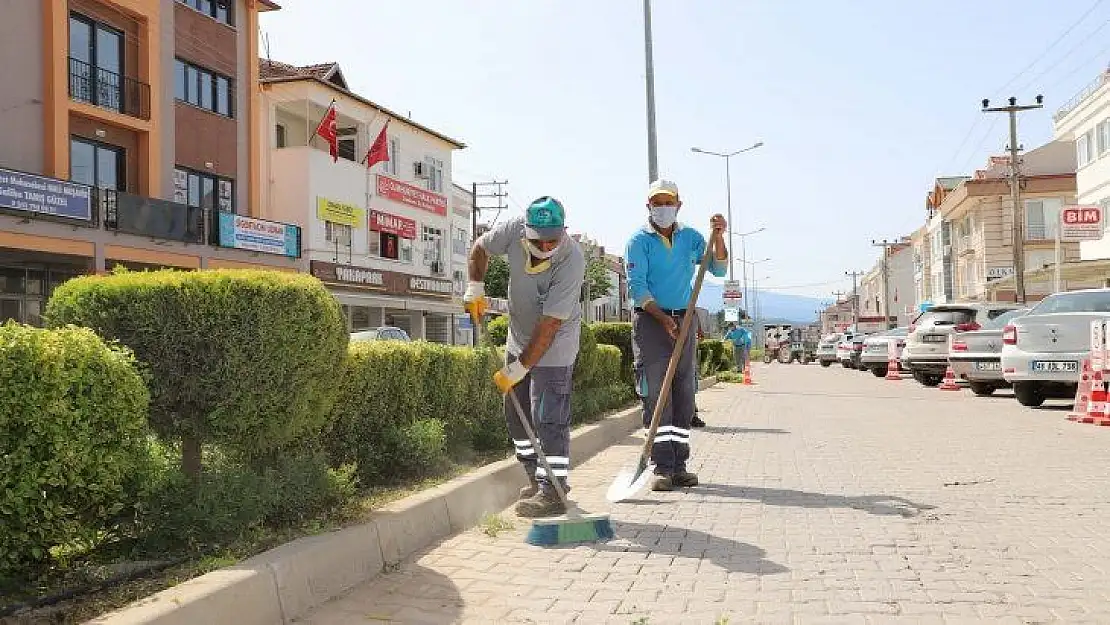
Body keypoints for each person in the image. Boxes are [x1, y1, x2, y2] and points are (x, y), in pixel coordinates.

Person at [463, 197, 586, 518]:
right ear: (525, 231)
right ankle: (536, 477)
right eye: (538, 239)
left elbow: (549, 326)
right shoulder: (512, 230)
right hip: (518, 338)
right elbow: (480, 248)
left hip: (556, 343)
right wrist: (475, 288)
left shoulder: (572, 258)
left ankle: (554, 490)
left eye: (553, 239)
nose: (546, 245)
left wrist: (519, 368)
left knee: (547, 414)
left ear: (563, 231)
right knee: (516, 413)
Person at [625, 179, 728, 492]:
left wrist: (719, 237)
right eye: (658, 202)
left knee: (684, 394)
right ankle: (661, 466)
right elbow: (637, 287)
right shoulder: (638, 241)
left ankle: (680, 465)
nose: (663, 207)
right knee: (657, 394)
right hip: (650, 321)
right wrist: (662, 319)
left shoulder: (691, 238)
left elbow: (719, 269)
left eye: (669, 202)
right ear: (649, 207)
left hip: (684, 320)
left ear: (679, 205)